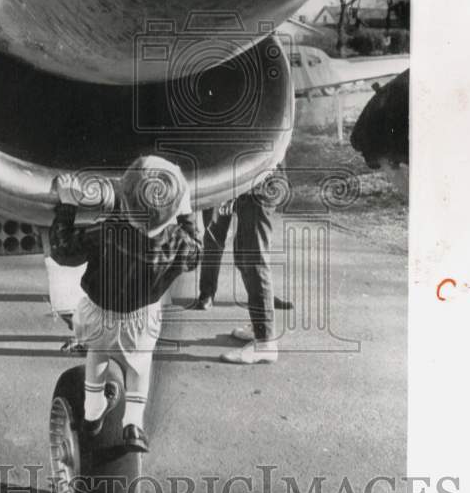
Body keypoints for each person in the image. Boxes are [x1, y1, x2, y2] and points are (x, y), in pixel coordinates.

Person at [49, 155, 201, 453]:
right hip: (142, 319)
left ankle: (93, 411)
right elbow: (196, 253)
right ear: (172, 212)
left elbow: (62, 249)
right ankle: (133, 423)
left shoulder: (106, 232)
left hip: (98, 314)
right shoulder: (179, 244)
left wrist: (67, 204)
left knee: (97, 353)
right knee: (140, 366)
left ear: (124, 201)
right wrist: (186, 214)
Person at [193, 176, 292, 365]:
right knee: (244, 256)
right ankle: (259, 328)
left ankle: (265, 342)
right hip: (249, 187)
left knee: (254, 260)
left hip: (259, 186)